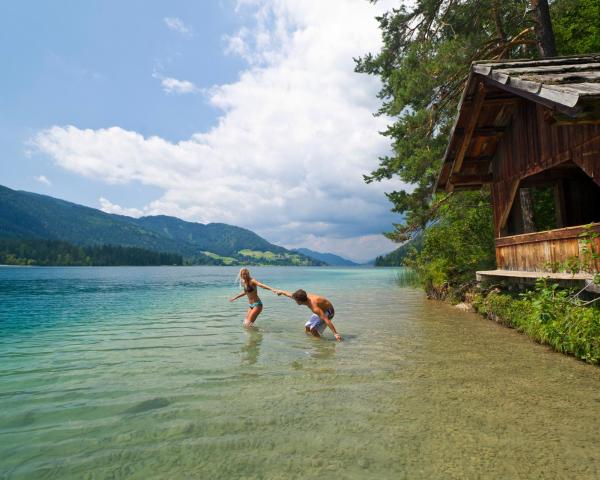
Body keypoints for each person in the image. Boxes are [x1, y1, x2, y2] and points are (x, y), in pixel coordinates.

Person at [276, 289, 342, 341]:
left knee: (313, 329)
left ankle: (319, 342)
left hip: (329, 312)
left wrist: (335, 333)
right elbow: (290, 294)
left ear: (300, 301)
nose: (295, 301)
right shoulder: (302, 297)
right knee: (307, 326)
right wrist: (281, 292)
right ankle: (310, 340)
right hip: (322, 309)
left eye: (296, 300)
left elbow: (326, 319)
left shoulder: (314, 307)